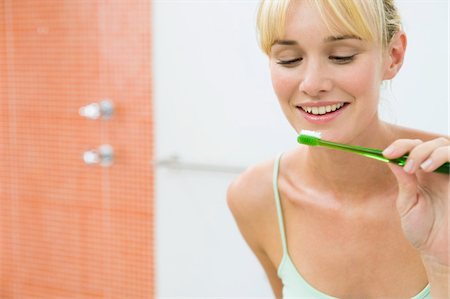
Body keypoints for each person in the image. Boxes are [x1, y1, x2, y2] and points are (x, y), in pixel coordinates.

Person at [227, 0, 449, 298]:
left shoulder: (445, 181)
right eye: (289, 59)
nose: (312, 84)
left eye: (341, 56)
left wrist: (442, 266)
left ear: (393, 56)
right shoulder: (255, 197)